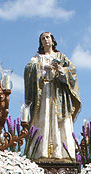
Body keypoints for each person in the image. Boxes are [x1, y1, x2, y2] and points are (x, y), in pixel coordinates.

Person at [24, 31, 81, 162]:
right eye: (43, 38)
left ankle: (62, 153)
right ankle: (41, 152)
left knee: (59, 120)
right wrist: (42, 66)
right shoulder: (37, 58)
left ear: (53, 40)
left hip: (59, 93)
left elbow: (73, 71)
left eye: (47, 37)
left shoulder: (61, 56)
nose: (45, 40)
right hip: (44, 93)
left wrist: (61, 70)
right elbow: (28, 69)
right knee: (43, 117)